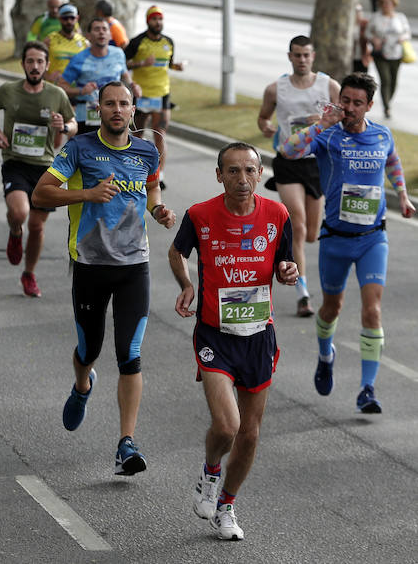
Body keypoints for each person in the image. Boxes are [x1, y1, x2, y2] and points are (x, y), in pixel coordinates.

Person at [31, 81, 175, 476]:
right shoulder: (79, 148)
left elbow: (151, 193)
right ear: (98, 109)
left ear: (134, 110)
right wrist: (87, 194)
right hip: (91, 265)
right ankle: (82, 385)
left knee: (130, 355)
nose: (117, 109)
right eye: (109, 103)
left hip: (133, 267)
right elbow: (41, 195)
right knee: (89, 349)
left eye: (124, 104)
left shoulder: (147, 151)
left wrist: (159, 211)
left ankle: (126, 443)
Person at [168, 142, 298, 541]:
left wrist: (289, 272)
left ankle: (226, 504)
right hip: (215, 335)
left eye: (249, 171)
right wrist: (187, 285)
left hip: (258, 336)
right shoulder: (199, 215)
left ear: (260, 174)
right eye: (233, 171)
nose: (242, 179)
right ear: (219, 174)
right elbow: (176, 253)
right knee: (227, 426)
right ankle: (209, 473)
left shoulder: (277, 214)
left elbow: (284, 263)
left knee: (250, 433)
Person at [280, 72, 416, 414]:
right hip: (336, 239)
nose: (350, 108)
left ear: (370, 105)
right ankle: (326, 356)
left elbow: (392, 160)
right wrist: (321, 125)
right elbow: (288, 150)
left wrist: (401, 192)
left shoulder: (381, 134)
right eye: (346, 101)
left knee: (372, 310)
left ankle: (367, 388)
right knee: (332, 308)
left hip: (372, 239)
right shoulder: (329, 136)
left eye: (358, 103)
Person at [257, 35, 340, 317]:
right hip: (288, 161)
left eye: (306, 55)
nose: (302, 60)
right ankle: (302, 293)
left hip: (317, 163)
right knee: (299, 226)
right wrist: (267, 126)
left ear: (313, 56)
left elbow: (345, 117)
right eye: (297, 55)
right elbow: (263, 117)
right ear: (289, 56)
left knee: (312, 235)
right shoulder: (275, 88)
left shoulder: (328, 86)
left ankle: (293, 252)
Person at [0, 41, 77, 296]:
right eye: (30, 61)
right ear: (23, 64)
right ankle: (15, 232)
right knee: (19, 212)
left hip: (45, 166)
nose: (34, 67)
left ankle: (29, 274)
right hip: (15, 162)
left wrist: (64, 127)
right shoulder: (9, 90)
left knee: (37, 227)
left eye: (39, 62)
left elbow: (72, 122)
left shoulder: (56, 94)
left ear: (47, 65)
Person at [124, 4, 184, 189]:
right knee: (137, 135)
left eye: (160, 19)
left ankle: (160, 175)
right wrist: (142, 63)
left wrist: (177, 67)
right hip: (142, 94)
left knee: (161, 135)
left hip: (162, 94)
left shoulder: (169, 42)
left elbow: (169, 63)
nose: (158, 22)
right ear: (148, 21)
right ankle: (136, 172)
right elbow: (123, 64)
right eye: (154, 19)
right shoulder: (137, 42)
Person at [58, 17, 137, 134]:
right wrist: (81, 91)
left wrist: (133, 86)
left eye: (104, 29)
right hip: (86, 117)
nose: (101, 32)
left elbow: (125, 75)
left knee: (114, 151)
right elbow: (61, 86)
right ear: (88, 36)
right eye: (97, 29)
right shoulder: (79, 59)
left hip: (113, 115)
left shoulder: (118, 54)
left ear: (110, 35)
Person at [365, 0, 411, 119]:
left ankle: (388, 101)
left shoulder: (400, 17)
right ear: (380, 4)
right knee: (385, 80)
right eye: (384, 3)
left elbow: (407, 32)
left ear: (394, 4)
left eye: (389, 3)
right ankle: (387, 107)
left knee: (394, 81)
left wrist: (403, 38)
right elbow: (367, 33)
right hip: (381, 53)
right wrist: (373, 39)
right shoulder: (376, 17)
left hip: (396, 53)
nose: (386, 5)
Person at [43, 3, 88, 84]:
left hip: (76, 90)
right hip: (55, 88)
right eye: (65, 18)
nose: (69, 21)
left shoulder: (84, 42)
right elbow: (39, 62)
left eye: (72, 18)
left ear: (77, 18)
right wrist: (47, 77)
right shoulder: (49, 40)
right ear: (59, 18)